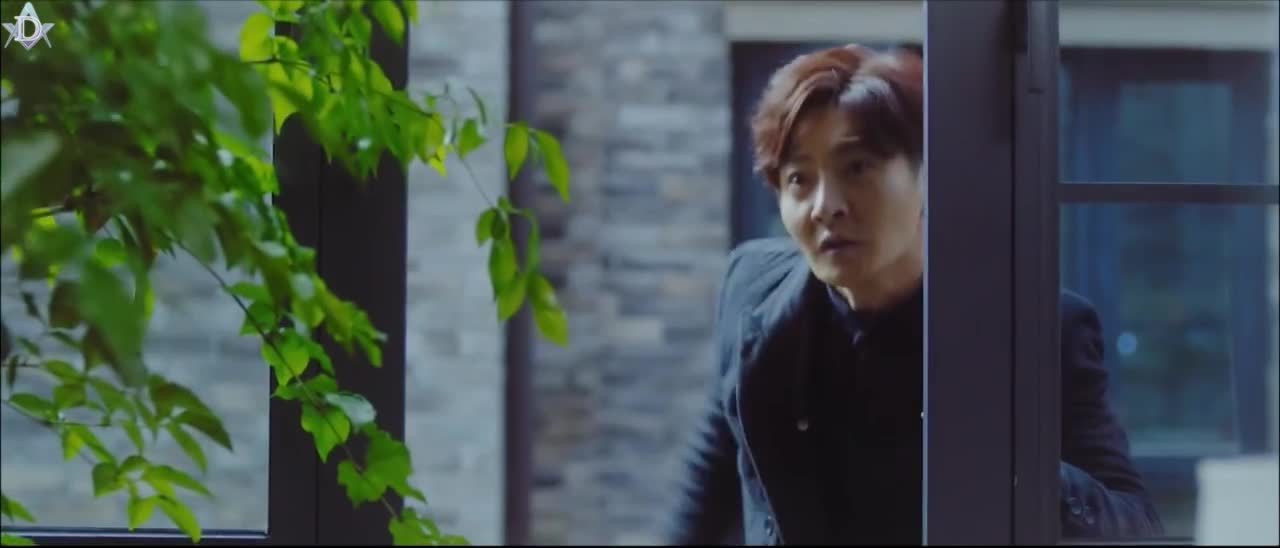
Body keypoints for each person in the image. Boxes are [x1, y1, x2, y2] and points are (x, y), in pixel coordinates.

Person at [663, 44, 1164, 545]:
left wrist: (1009, 459)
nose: (825, 206)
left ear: (928, 176)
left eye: (856, 168)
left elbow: (1134, 525)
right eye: (799, 179)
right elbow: (714, 474)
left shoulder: (1037, 328)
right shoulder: (751, 289)